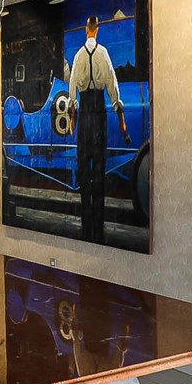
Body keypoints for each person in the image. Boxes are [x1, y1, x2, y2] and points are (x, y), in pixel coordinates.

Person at [68, 15, 129, 243]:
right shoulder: (103, 53)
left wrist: (73, 119)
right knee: (99, 169)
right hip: (100, 112)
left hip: (85, 114)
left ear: (86, 29)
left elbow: (72, 90)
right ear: (98, 29)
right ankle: (98, 227)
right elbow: (113, 86)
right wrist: (121, 120)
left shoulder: (78, 55)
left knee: (84, 169)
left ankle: (86, 225)